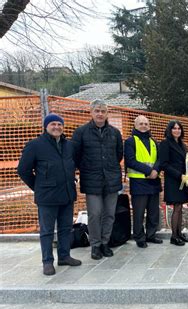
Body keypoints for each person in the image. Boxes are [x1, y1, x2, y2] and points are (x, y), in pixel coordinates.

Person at [18, 113, 81, 276]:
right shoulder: (35, 145)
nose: (57, 127)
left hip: (67, 194)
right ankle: (47, 262)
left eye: (59, 124)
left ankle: (64, 256)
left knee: (66, 228)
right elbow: (23, 170)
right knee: (46, 231)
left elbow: (72, 165)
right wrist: (38, 187)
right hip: (47, 197)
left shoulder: (69, 145)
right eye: (53, 124)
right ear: (46, 126)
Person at [72, 99, 123, 260]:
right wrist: (87, 168)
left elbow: (118, 154)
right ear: (91, 113)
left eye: (103, 111)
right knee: (95, 214)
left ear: (107, 113)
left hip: (111, 180)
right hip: (92, 180)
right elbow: (76, 155)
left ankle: (105, 243)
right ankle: (95, 245)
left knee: (109, 214)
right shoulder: (81, 132)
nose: (100, 114)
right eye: (97, 111)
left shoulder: (115, 133)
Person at [124, 115, 163, 249]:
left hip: (154, 181)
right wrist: (149, 171)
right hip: (139, 182)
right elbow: (130, 161)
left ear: (149, 126)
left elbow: (159, 159)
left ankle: (151, 235)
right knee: (139, 212)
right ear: (135, 126)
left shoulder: (153, 141)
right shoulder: (130, 141)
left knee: (153, 212)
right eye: (140, 123)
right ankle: (139, 237)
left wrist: (156, 170)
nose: (144, 126)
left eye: (146, 124)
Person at [159, 120, 188, 246]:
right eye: (174, 128)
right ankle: (174, 236)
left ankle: (179, 234)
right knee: (177, 208)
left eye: (179, 128)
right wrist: (180, 175)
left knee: (180, 207)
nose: (177, 130)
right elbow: (164, 164)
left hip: (184, 180)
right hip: (174, 180)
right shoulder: (165, 143)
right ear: (169, 130)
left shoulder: (182, 144)